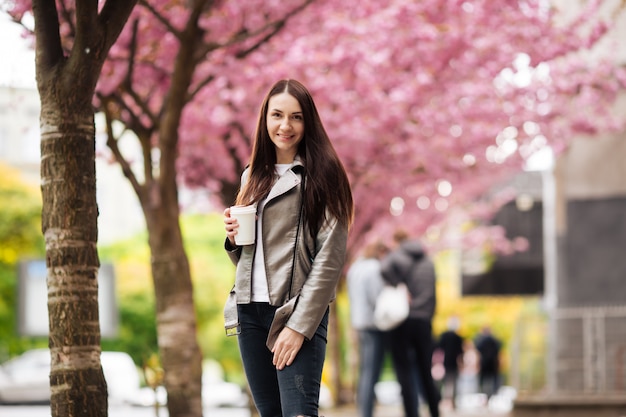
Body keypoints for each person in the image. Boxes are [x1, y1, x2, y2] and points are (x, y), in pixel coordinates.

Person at [223, 79, 354, 417]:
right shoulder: (251, 176)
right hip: (250, 311)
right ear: (264, 119)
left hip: (296, 309)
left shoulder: (325, 175)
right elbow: (250, 256)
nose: (285, 125)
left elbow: (330, 259)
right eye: (277, 115)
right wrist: (234, 239)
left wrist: (298, 326)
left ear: (308, 121)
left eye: (296, 117)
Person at [381, 230, 440, 417]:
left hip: (403, 320)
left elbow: (383, 269)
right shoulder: (428, 262)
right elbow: (433, 294)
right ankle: (435, 411)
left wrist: (398, 285)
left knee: (404, 370)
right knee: (425, 370)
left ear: (398, 241)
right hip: (424, 320)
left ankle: (411, 413)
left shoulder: (397, 256)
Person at [346, 240, 390, 417]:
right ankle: (367, 412)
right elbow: (377, 297)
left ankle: (364, 409)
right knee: (372, 371)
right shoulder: (374, 268)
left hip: (359, 323)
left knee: (365, 370)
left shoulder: (355, 268)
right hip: (373, 324)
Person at [435, 316, 464, 409]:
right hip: (452, 363)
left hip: (444, 363)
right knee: (453, 383)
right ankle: (451, 402)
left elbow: (438, 349)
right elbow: (460, 353)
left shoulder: (444, 336)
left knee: (443, 383)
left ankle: (440, 400)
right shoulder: (458, 338)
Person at [474, 326, 502, 399]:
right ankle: (491, 395)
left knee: (483, 380)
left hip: (484, 363)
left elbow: (478, 352)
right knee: (492, 380)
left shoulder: (480, 341)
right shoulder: (495, 340)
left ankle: (484, 395)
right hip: (493, 363)